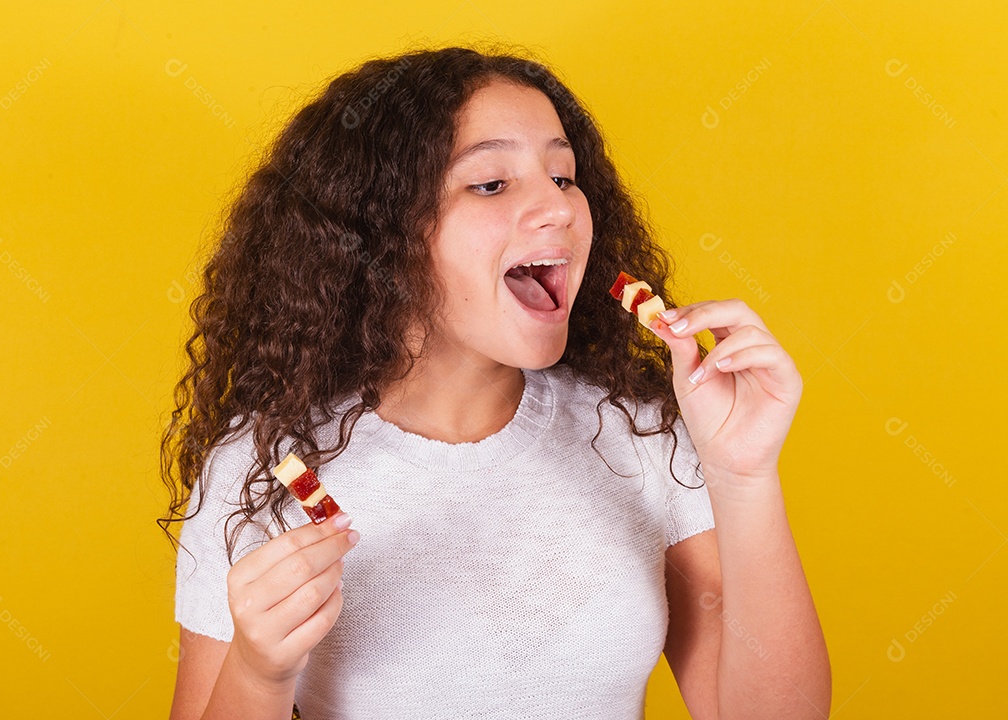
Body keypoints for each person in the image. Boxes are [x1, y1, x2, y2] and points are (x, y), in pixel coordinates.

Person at [160, 45, 831, 720]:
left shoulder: (639, 439)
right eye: (490, 184)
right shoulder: (265, 466)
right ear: (380, 233)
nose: (560, 208)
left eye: (565, 177)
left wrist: (745, 477)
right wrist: (259, 673)